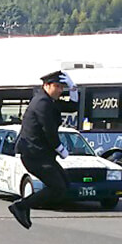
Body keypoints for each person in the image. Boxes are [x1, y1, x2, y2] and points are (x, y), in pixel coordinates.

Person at [8, 71, 79, 229]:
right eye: (57, 86)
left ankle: (24, 207)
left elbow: (73, 107)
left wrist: (73, 88)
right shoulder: (42, 103)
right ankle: (21, 206)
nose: (60, 90)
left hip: (43, 155)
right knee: (58, 187)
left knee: (65, 186)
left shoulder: (50, 101)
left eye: (62, 87)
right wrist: (60, 148)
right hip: (34, 155)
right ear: (46, 86)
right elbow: (48, 130)